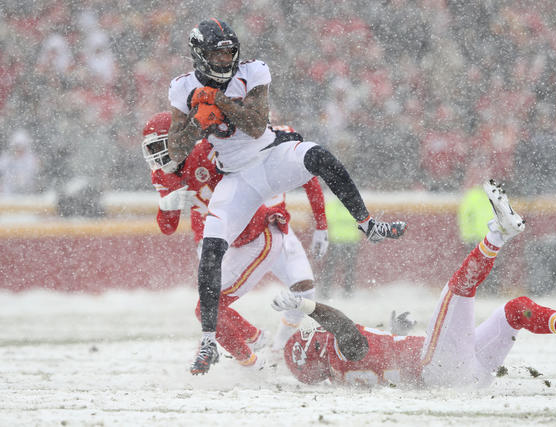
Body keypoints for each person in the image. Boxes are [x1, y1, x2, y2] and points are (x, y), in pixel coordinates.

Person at [166, 18, 407, 374]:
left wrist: (219, 102)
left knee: (320, 156)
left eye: (230, 52)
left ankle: (367, 223)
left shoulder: (253, 72)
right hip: (237, 179)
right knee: (213, 247)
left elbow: (255, 124)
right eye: (217, 55)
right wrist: (198, 122)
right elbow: (175, 149)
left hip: (270, 158)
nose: (225, 60)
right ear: (200, 55)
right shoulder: (182, 87)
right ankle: (206, 343)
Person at [272, 180, 556, 387]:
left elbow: (379, 358)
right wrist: (304, 305)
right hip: (438, 368)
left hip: (468, 377)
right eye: (313, 337)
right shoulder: (340, 351)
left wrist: (396, 333)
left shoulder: (343, 379)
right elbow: (342, 325)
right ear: (313, 351)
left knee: (514, 310)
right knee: (457, 288)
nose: (317, 334)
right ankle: (498, 233)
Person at [142, 112, 329, 369]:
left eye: (158, 146)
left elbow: (294, 171)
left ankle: (268, 349)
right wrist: (166, 205)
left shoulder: (212, 151)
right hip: (217, 239)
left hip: (256, 232)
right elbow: (167, 226)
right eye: (150, 148)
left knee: (302, 289)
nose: (155, 155)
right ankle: (252, 347)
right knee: (209, 308)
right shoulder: (164, 173)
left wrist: (320, 223)